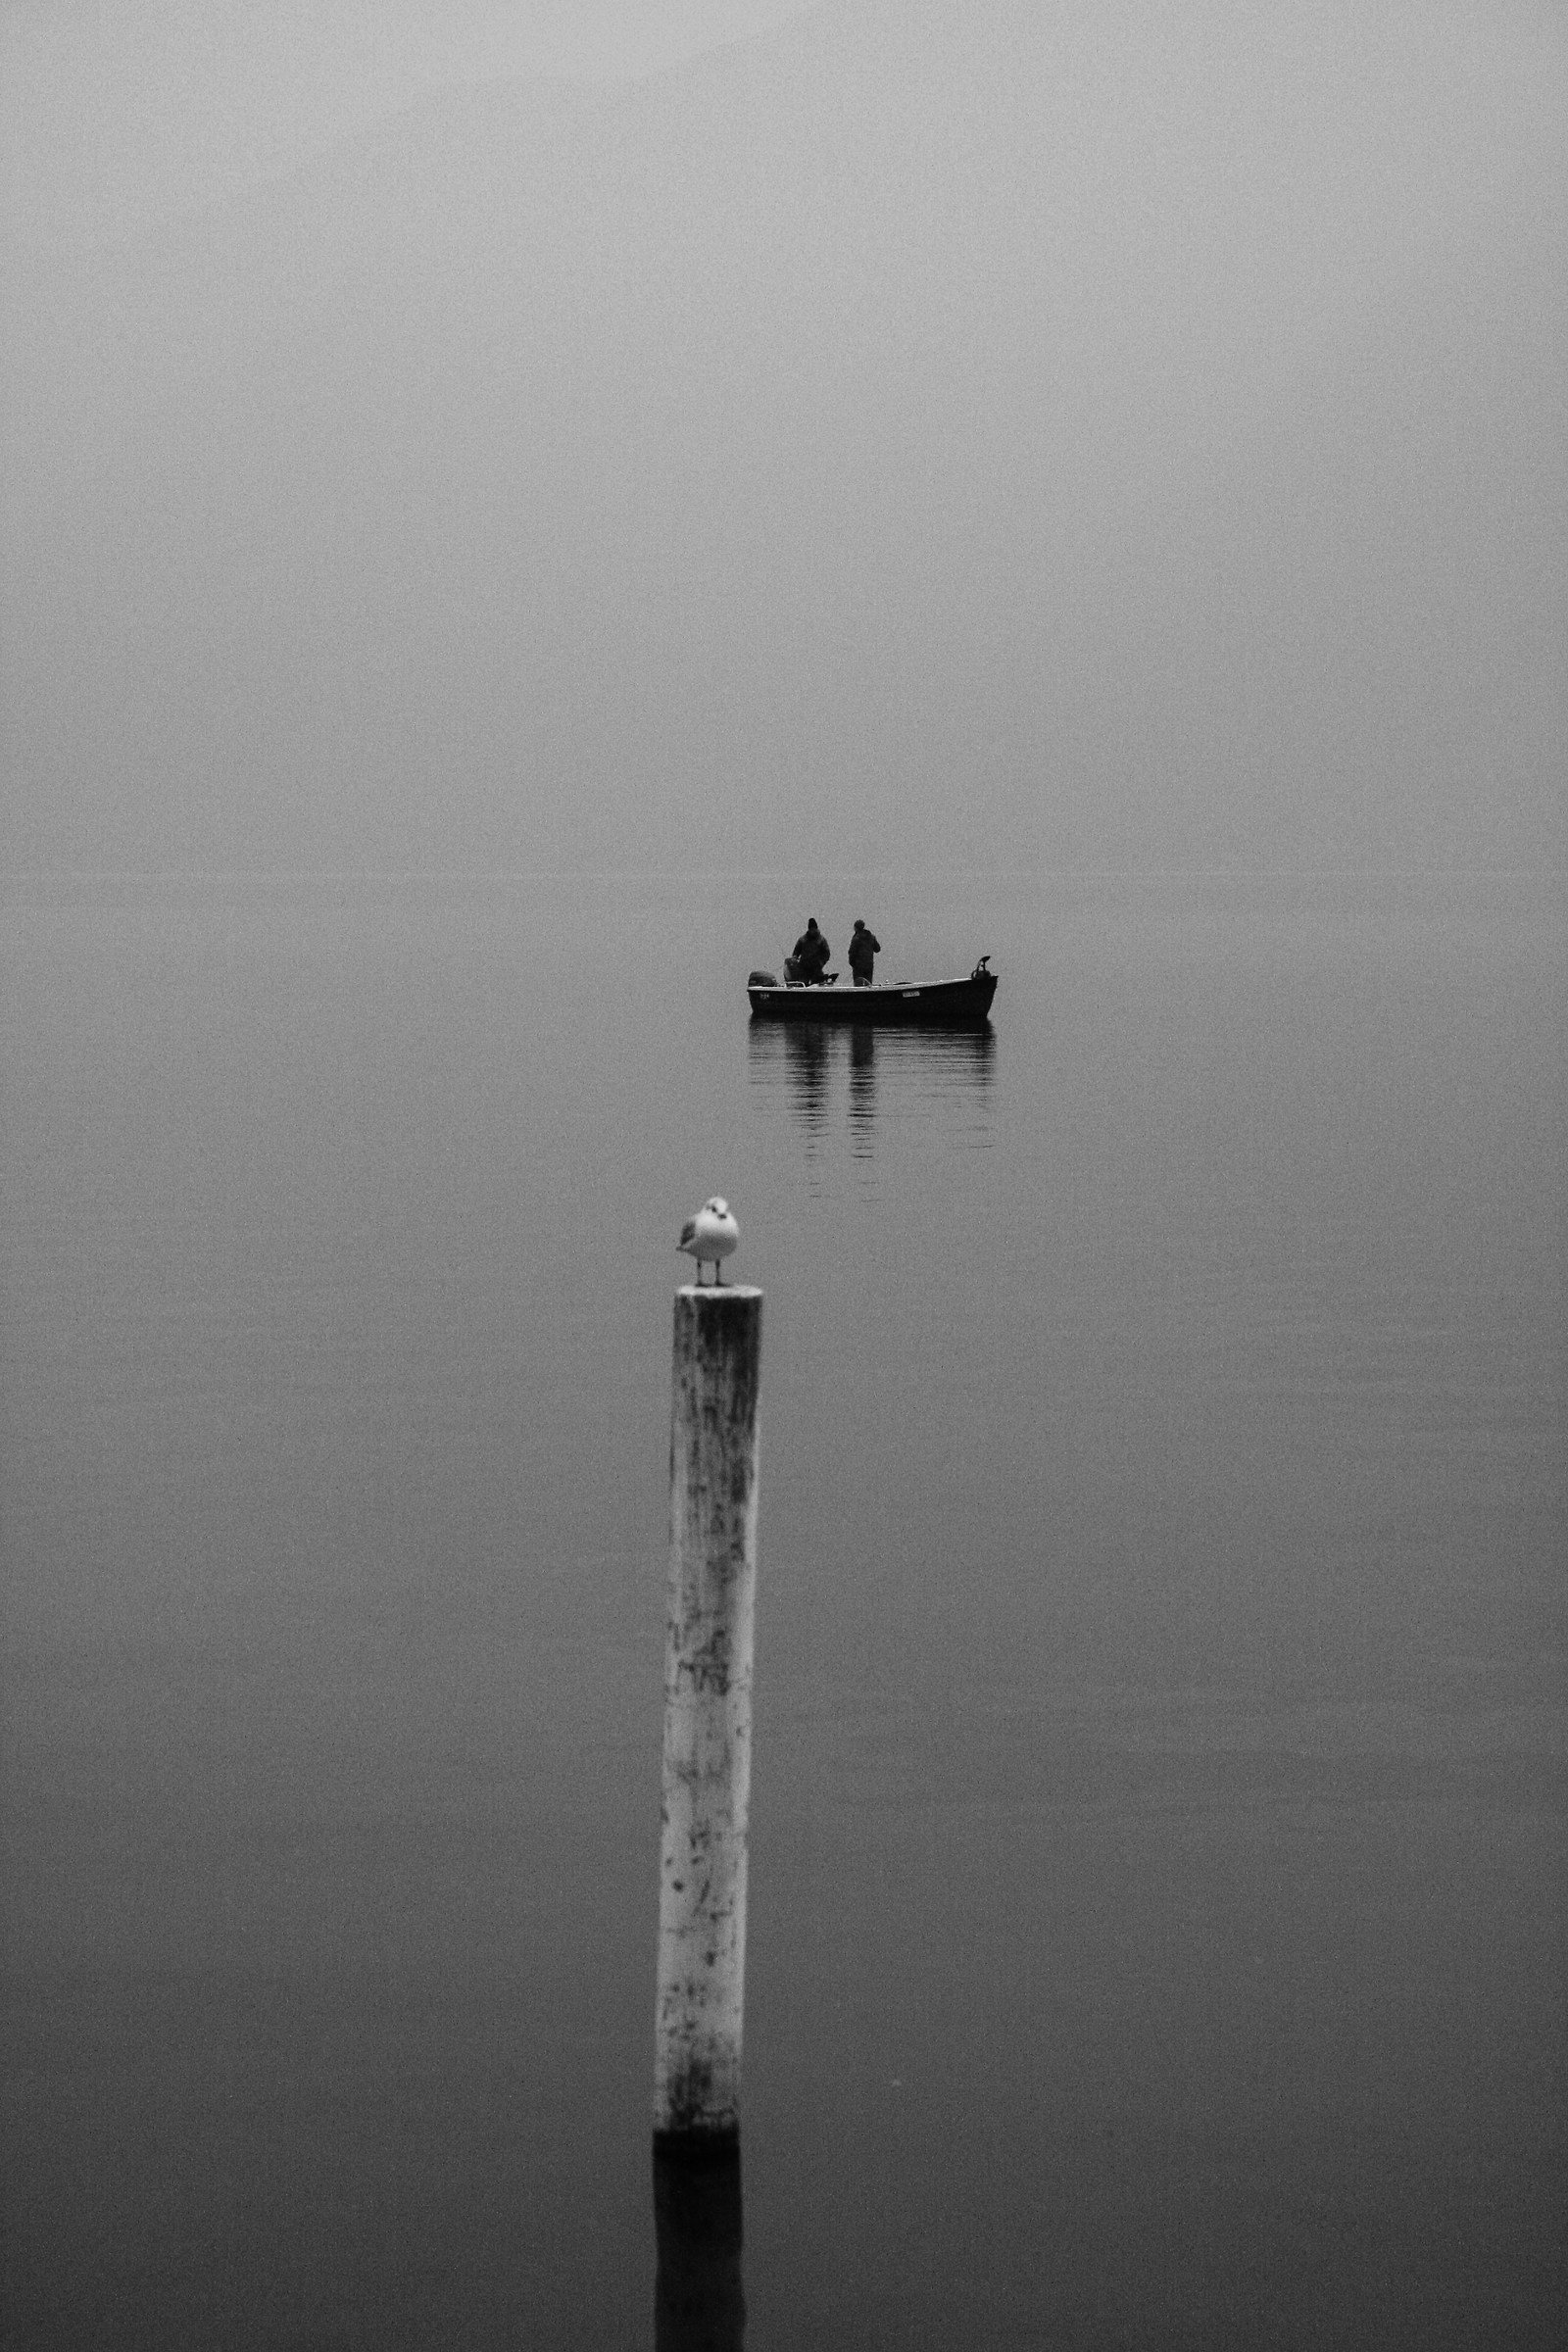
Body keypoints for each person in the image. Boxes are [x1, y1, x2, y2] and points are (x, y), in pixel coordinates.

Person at [788, 917, 831, 984]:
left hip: (816, 967)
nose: (813, 931)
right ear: (809, 929)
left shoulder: (821, 940)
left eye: (814, 929)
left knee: (817, 984)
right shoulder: (803, 939)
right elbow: (796, 951)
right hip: (804, 967)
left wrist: (821, 962)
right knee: (802, 984)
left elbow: (827, 953)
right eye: (812, 929)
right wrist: (795, 958)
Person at [848, 917, 881, 987]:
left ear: (855, 928)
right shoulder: (871, 937)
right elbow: (877, 949)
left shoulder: (856, 939)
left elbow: (852, 953)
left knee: (858, 986)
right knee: (868, 985)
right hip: (869, 965)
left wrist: (852, 964)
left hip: (858, 966)